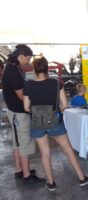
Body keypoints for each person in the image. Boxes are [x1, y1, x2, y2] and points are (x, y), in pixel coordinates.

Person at [23, 57, 88, 191]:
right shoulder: (56, 83)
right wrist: (57, 109)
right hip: (55, 120)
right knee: (68, 149)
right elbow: (65, 105)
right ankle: (81, 178)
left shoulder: (28, 85)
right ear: (47, 68)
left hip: (37, 121)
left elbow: (26, 107)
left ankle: (51, 183)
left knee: (45, 153)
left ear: (34, 69)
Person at [1, 44, 45, 185]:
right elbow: (22, 96)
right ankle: (27, 175)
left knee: (17, 143)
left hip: (15, 112)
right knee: (24, 142)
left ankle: (19, 170)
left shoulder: (12, 68)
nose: (29, 61)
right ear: (21, 56)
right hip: (19, 113)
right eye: (28, 58)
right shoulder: (13, 71)